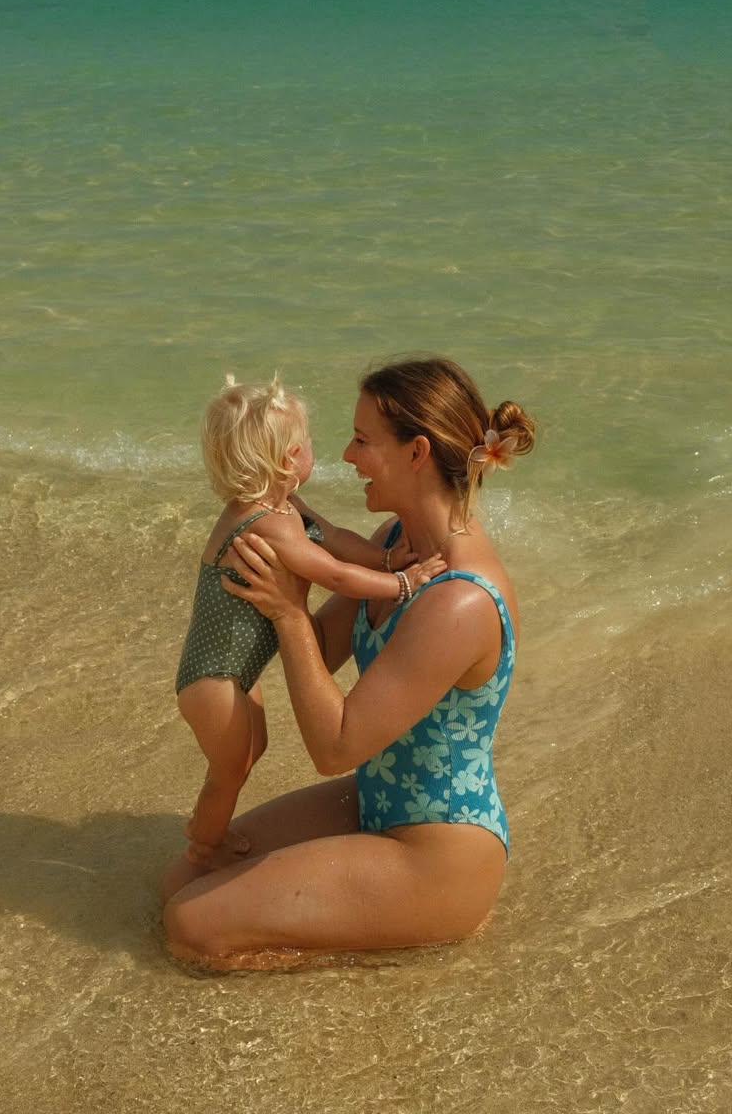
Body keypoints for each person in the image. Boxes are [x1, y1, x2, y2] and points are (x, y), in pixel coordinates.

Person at [162, 357, 535, 969]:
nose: (345, 456)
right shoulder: (392, 545)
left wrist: (287, 611)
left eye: (363, 440)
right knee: (182, 882)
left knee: (192, 927)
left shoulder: (460, 600)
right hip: (373, 801)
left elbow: (333, 747)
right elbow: (321, 649)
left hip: (436, 853)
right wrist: (259, 584)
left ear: (416, 453)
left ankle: (405, 944)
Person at [175, 375, 446, 873]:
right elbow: (333, 573)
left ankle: (211, 831)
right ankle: (203, 845)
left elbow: (336, 540)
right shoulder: (265, 522)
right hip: (212, 679)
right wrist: (402, 585)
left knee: (253, 750)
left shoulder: (282, 508)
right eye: (309, 443)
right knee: (229, 770)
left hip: (231, 675)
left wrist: (385, 560)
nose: (323, 451)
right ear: (289, 459)